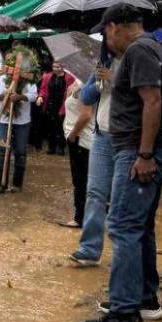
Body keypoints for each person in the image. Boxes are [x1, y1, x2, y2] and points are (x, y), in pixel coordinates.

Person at [84, 4, 162, 322]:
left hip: (139, 152)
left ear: (115, 26)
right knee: (141, 227)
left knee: (123, 225)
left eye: (105, 33)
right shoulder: (155, 49)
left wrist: (146, 153)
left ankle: (124, 313)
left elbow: (154, 101)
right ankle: (143, 298)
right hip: (148, 148)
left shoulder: (139, 51)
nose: (106, 41)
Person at [68, 49, 118, 267]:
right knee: (94, 192)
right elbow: (87, 97)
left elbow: (144, 94)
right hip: (102, 135)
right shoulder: (104, 61)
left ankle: (123, 251)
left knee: (120, 195)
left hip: (128, 136)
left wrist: (115, 79)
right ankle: (89, 249)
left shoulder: (139, 58)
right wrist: (98, 81)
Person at [0, 67, 38, 193]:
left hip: (22, 121)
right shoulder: (3, 77)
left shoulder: (29, 78)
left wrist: (20, 97)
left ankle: (17, 183)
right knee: (3, 150)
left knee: (20, 152)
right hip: (4, 120)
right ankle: (1, 182)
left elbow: (34, 96)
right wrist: (6, 94)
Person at [62, 78, 95, 228]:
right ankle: (85, 216)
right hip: (80, 138)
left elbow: (86, 115)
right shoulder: (80, 82)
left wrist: (73, 135)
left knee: (81, 180)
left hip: (81, 139)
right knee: (82, 179)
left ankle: (80, 218)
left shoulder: (86, 85)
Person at [37, 61, 75, 155]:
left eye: (58, 67)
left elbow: (71, 91)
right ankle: (51, 147)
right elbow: (43, 89)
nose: (56, 69)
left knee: (61, 127)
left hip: (62, 103)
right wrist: (40, 97)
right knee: (50, 126)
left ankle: (61, 147)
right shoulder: (47, 76)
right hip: (50, 104)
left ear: (63, 67)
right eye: (54, 67)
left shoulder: (69, 77)